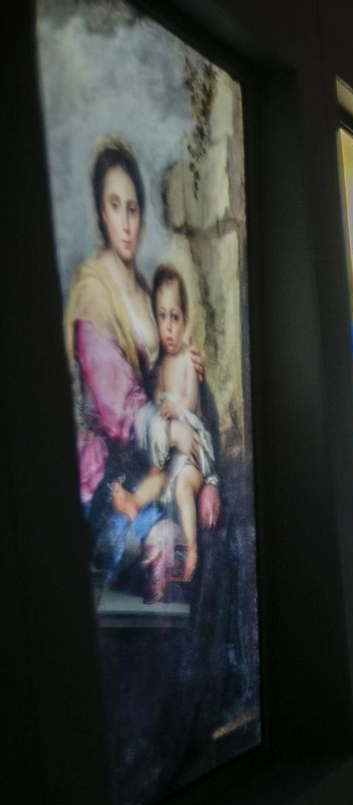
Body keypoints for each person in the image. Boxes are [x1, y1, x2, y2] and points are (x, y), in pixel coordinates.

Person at [66, 140, 208, 599]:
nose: (126, 223)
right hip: (103, 469)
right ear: (100, 213)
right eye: (115, 207)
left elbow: (156, 380)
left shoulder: (144, 287)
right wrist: (169, 434)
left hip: (145, 460)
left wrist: (182, 365)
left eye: (133, 208)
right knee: (157, 543)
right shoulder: (93, 291)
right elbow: (118, 408)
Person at [147, 265, 220, 582]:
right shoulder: (161, 364)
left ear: (184, 318)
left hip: (194, 454)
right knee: (163, 497)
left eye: (174, 318)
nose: (168, 328)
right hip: (173, 453)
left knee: (181, 489)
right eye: (162, 317)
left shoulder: (188, 357)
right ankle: (169, 568)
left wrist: (176, 407)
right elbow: (154, 406)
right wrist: (160, 409)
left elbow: (190, 402)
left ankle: (192, 550)